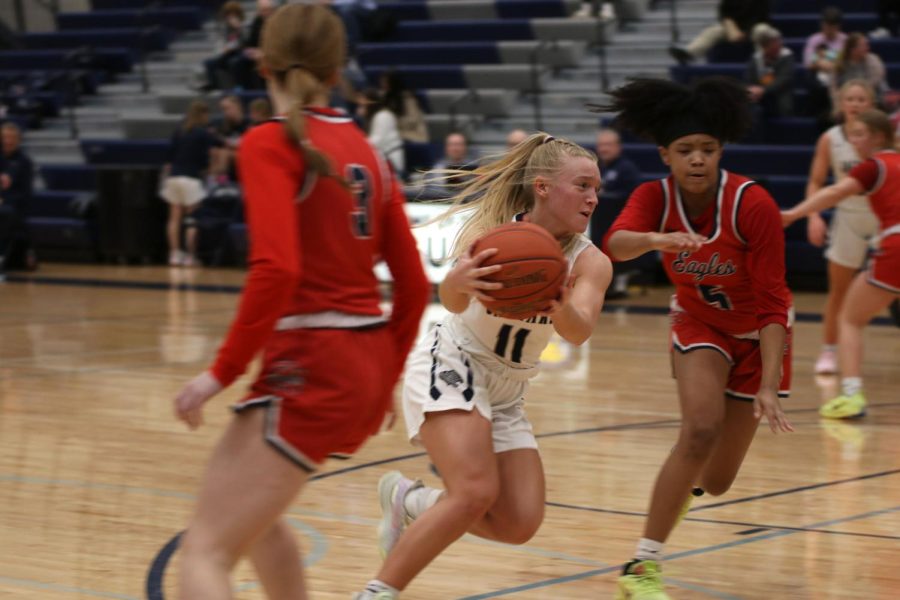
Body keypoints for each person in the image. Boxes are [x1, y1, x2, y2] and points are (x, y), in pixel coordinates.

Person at [172, 6, 430, 598]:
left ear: (260, 63)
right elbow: (414, 286)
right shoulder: (370, 153)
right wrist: (382, 379)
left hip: (312, 359)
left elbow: (277, 268)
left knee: (206, 551)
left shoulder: (268, 142)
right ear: (339, 69)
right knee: (259, 524)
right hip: (358, 366)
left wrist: (220, 374)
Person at [353, 132, 612, 599]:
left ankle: (409, 501)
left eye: (597, 188)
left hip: (509, 389)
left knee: (518, 523)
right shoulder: (493, 236)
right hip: (453, 361)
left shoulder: (590, 262)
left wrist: (558, 305)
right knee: (474, 491)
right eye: (583, 185)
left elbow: (579, 331)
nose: (593, 197)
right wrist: (457, 280)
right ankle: (375, 593)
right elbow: (452, 302)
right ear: (543, 187)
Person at [596, 77, 794, 599]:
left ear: (721, 151)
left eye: (708, 149)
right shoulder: (652, 196)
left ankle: (679, 490)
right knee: (699, 430)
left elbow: (775, 303)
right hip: (700, 323)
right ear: (666, 155)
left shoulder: (753, 204)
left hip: (757, 335)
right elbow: (614, 244)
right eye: (686, 151)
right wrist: (656, 238)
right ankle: (642, 566)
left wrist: (770, 385)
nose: (698, 160)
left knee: (720, 479)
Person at [784, 109, 900, 418]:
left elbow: (835, 192)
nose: (854, 141)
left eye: (860, 134)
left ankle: (851, 395)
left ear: (878, 137)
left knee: (850, 318)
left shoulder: (873, 166)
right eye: (851, 135)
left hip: (895, 244)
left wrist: (794, 214)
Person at [803, 79, 880, 378]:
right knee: (839, 290)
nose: (856, 104)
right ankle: (829, 350)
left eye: (862, 99)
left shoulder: (885, 138)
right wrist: (814, 216)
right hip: (847, 216)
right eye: (851, 99)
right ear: (841, 104)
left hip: (881, 217)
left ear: (870, 104)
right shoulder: (830, 138)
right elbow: (816, 181)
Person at [160, 100, 221, 267]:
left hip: (173, 178)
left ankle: (174, 254)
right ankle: (189, 256)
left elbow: (168, 158)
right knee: (192, 219)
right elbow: (217, 148)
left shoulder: (179, 130)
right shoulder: (203, 133)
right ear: (203, 114)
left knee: (174, 219)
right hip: (191, 178)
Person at [590, 128, 642, 298]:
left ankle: (619, 284)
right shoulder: (596, 168)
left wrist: (605, 196)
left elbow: (633, 195)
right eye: (601, 145)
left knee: (616, 253)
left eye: (608, 145)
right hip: (599, 223)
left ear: (618, 147)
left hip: (619, 223)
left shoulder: (627, 168)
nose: (604, 149)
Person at [669, 0, 770, 65]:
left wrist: (745, 33)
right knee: (713, 30)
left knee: (761, 30)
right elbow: (723, 13)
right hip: (733, 30)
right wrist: (730, 26)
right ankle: (689, 53)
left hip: (753, 28)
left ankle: (762, 62)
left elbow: (762, 17)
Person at [0, 122, 34, 274]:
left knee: (5, 213)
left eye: (11, 137)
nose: (8, 141)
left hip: (15, 208)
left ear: (18, 140)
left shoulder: (24, 162)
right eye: (5, 137)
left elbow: (26, 193)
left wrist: (4, 200)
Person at [745, 24, 796, 118]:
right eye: (775, 43)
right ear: (765, 46)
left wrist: (764, 90)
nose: (779, 44)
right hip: (759, 92)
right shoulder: (756, 58)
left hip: (780, 91)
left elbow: (784, 79)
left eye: (779, 41)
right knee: (749, 101)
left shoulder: (786, 55)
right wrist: (753, 90)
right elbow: (750, 79)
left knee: (785, 105)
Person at [832, 33, 888, 105]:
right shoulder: (839, 63)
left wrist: (857, 97)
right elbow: (833, 87)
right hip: (845, 101)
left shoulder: (873, 60)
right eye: (863, 45)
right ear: (853, 49)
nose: (867, 48)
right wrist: (838, 101)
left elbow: (874, 83)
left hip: (874, 100)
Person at [201, 1, 245, 91]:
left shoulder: (243, 25)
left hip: (241, 53)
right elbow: (224, 43)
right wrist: (224, 49)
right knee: (209, 63)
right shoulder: (226, 28)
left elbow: (245, 42)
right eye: (228, 16)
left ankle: (239, 86)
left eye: (233, 15)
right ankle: (213, 84)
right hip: (228, 53)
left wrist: (238, 28)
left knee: (233, 62)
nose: (230, 18)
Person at [362, 88, 405, 175]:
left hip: (391, 162)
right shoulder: (374, 117)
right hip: (381, 161)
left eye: (363, 105)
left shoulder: (383, 116)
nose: (361, 108)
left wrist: (358, 145)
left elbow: (376, 141)